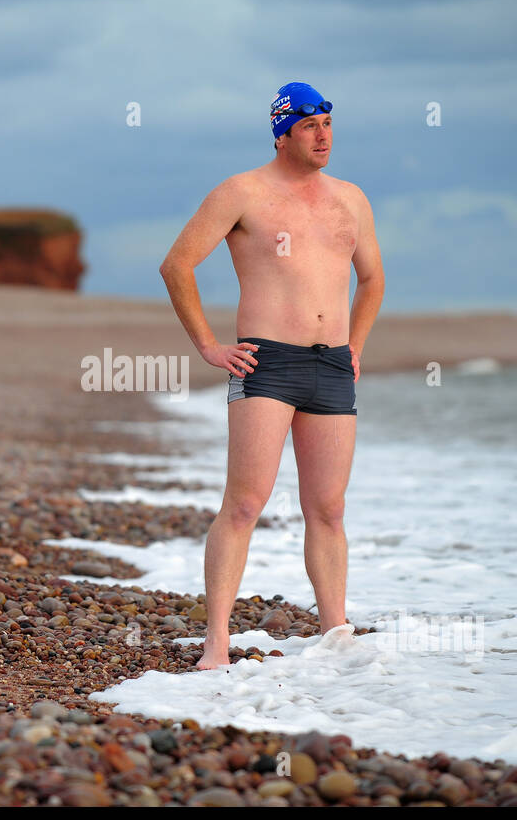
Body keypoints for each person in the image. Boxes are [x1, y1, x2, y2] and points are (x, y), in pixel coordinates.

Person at [158, 81, 385, 670]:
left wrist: (355, 345)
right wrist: (208, 346)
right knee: (244, 503)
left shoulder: (351, 199)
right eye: (310, 126)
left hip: (332, 364)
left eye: (329, 124)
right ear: (283, 133)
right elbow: (177, 264)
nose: (324, 135)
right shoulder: (243, 192)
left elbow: (373, 279)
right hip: (266, 362)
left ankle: (336, 631)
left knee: (328, 508)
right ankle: (216, 642)